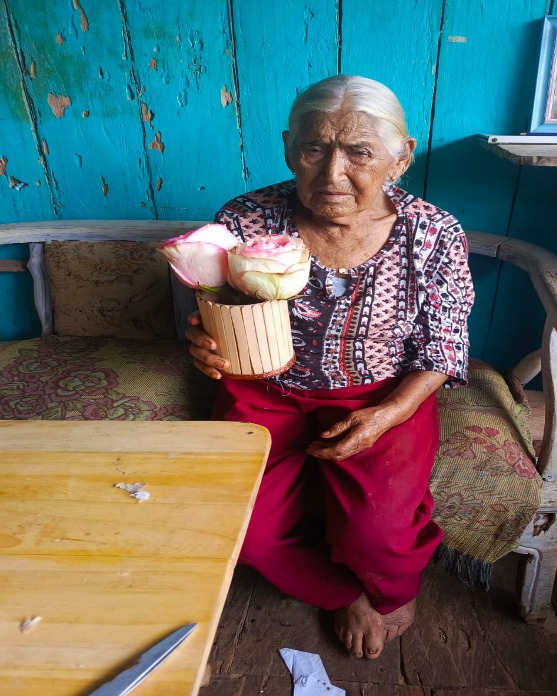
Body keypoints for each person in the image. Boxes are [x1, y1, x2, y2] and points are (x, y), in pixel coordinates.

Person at [186, 75, 474, 660]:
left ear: (401, 157)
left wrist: (389, 413)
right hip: (264, 389)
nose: (332, 173)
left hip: (382, 394)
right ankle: (343, 595)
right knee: (245, 531)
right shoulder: (246, 218)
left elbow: (444, 345)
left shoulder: (433, 233)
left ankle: (391, 591)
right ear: (289, 147)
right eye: (314, 149)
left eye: (359, 152)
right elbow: (216, 306)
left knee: (378, 532)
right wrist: (204, 340)